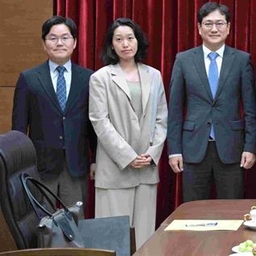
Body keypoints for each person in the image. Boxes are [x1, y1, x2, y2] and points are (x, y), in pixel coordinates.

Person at [89, 18, 167, 250]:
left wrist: (151, 154)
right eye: (119, 39)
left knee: (144, 240)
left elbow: (162, 118)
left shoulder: (154, 75)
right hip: (115, 169)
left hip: (146, 167)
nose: (125, 44)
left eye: (130, 38)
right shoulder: (100, 78)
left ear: (138, 41)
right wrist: (127, 156)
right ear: (111, 45)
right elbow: (100, 122)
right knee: (113, 242)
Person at [167, 2, 256, 201]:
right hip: (193, 148)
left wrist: (250, 147)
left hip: (231, 148)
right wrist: (174, 150)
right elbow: (174, 109)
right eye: (208, 24)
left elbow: (250, 109)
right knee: (194, 212)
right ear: (199, 28)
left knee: (232, 211)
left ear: (228, 27)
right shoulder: (183, 60)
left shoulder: (241, 60)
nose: (214, 29)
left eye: (219, 23)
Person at [12, 16, 96, 215]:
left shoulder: (88, 78)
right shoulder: (29, 79)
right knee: (42, 223)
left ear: (74, 42)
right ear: (44, 43)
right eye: (53, 38)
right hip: (40, 167)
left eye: (65, 37)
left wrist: (96, 160)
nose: (59, 43)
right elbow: (19, 128)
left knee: (76, 225)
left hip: (76, 165)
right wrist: (21, 167)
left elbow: (94, 124)